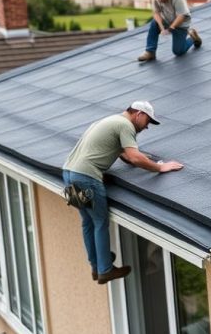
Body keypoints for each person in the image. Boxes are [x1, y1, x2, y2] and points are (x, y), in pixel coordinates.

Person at [61, 101, 183, 283]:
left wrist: (145, 159)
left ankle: (96, 266)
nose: (147, 127)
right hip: (86, 177)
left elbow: (126, 155)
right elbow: (134, 157)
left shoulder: (109, 121)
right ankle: (105, 270)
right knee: (100, 222)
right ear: (139, 114)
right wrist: (161, 167)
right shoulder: (126, 125)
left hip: (69, 174)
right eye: (148, 121)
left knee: (87, 222)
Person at [137, 0, 203, 62]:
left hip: (181, 25)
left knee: (178, 51)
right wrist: (161, 27)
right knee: (154, 23)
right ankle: (150, 52)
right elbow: (156, 13)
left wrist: (170, 28)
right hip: (167, 21)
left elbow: (181, 16)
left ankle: (193, 38)